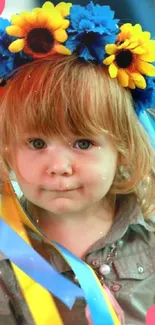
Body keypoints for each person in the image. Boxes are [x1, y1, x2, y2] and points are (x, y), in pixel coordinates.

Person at [0, 1, 155, 325]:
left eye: (83, 143)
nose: (58, 166)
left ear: (123, 149)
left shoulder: (150, 237)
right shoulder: (6, 250)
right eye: (37, 143)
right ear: (9, 148)